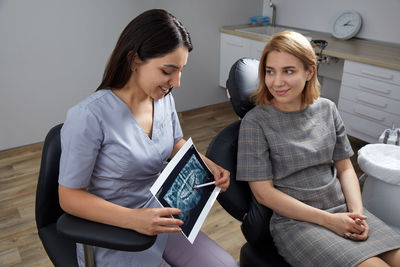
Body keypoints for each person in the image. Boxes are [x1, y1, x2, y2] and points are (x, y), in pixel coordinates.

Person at [58, 9, 237, 267]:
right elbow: (69, 197)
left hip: (161, 216)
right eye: (168, 71)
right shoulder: (88, 117)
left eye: (180, 71)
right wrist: (134, 219)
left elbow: (174, 143)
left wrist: (206, 164)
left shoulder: (163, 100)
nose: (176, 82)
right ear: (135, 60)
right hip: (115, 228)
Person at [236, 31, 400, 266]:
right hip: (297, 223)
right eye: (270, 71)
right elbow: (264, 193)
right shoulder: (256, 122)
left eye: (288, 71)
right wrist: (330, 221)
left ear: (310, 71)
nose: (276, 81)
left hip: (343, 208)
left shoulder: (327, 109)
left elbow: (344, 168)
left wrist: (357, 213)